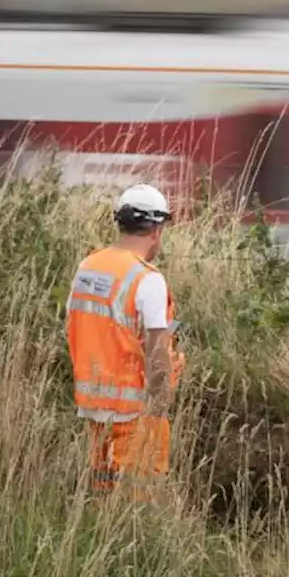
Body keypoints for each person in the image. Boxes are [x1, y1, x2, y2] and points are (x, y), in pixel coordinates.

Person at [65, 183, 184, 504]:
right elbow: (158, 353)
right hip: (136, 409)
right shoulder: (148, 279)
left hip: (93, 405)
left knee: (102, 497)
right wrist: (161, 402)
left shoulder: (87, 267)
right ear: (157, 230)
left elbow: (75, 326)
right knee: (137, 506)